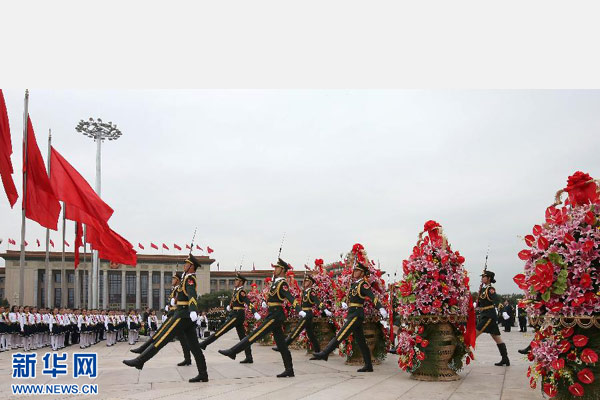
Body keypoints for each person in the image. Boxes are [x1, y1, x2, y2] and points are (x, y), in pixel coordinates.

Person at [123, 254, 208, 383]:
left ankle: (140, 360)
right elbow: (183, 293)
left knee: (164, 337)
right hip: (183, 314)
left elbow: (192, 295)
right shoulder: (186, 278)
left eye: (187, 264)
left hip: (183, 315)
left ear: (192, 267)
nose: (184, 266)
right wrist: (175, 300)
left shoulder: (190, 279)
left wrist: (192, 310)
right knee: (194, 347)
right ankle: (203, 374)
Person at [218, 258, 304, 377]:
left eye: (277, 268)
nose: (275, 269)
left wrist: (299, 309)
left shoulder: (282, 284)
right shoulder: (276, 283)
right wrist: (266, 302)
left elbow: (290, 297)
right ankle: (289, 369)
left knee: (255, 334)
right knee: (281, 344)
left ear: (283, 270)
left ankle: (233, 351)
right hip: (273, 313)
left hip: (276, 315)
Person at [310, 261, 388, 372]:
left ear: (362, 273)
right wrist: (345, 304)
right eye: (354, 270)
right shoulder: (355, 284)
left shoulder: (363, 284)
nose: (354, 272)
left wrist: (380, 308)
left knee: (342, 333)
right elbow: (351, 298)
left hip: (356, 314)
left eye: (357, 270)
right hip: (352, 312)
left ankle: (325, 353)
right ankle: (368, 365)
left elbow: (372, 296)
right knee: (361, 341)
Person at [130, 272, 193, 367]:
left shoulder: (178, 289)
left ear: (178, 280)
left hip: (176, 315)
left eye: (174, 279)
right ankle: (187, 358)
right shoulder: (175, 289)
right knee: (183, 339)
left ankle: (143, 350)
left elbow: (179, 302)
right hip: (173, 314)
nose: (172, 281)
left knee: (160, 334)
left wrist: (173, 303)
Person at [200, 272, 261, 364]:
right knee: (242, 337)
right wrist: (230, 306)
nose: (235, 282)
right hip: (236, 313)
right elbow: (235, 302)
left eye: (237, 280)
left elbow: (248, 302)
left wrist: (254, 312)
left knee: (221, 330)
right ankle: (249, 357)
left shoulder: (241, 292)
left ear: (241, 282)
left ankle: (204, 344)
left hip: (237, 315)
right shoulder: (236, 291)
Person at [272, 272, 332, 355]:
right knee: (310, 334)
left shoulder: (311, 291)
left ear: (310, 283)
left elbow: (317, 301)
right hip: (305, 313)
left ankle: (282, 345)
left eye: (307, 281)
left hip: (307, 314)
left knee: (297, 330)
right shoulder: (305, 292)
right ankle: (318, 351)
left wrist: (325, 310)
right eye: (305, 281)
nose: (305, 282)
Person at [476, 270, 510, 366]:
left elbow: (496, 300)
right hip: (485, 314)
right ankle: (505, 359)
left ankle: (460, 356)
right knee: (497, 338)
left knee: (474, 334)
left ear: (489, 278)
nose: (482, 278)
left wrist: (503, 311)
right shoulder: (483, 289)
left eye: (484, 277)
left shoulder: (490, 289)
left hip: (488, 316)